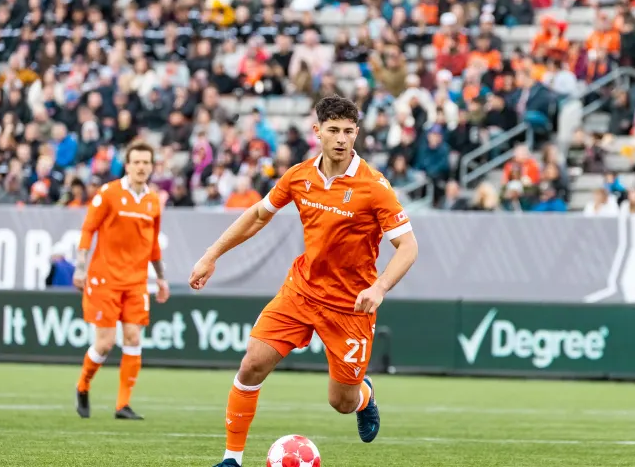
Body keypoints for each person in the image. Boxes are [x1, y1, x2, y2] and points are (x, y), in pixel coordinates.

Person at [189, 95, 419, 467]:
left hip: (349, 306)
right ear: (317, 132)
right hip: (302, 290)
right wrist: (211, 255)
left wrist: (379, 288)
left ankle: (364, 397)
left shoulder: (375, 186)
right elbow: (257, 216)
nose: (341, 139)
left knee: (341, 402)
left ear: (357, 133)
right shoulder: (298, 176)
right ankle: (231, 459)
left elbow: (408, 246)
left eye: (348, 131)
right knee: (251, 364)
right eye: (333, 131)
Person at [72, 141, 170, 420]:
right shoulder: (109, 193)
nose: (141, 167)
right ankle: (83, 385)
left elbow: (153, 246)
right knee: (104, 343)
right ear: (127, 166)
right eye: (136, 162)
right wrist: (80, 269)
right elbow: (88, 230)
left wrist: (161, 279)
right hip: (104, 278)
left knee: (133, 337)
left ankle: (122, 405)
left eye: (146, 163)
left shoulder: (152, 201)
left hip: (137, 281)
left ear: (152, 166)